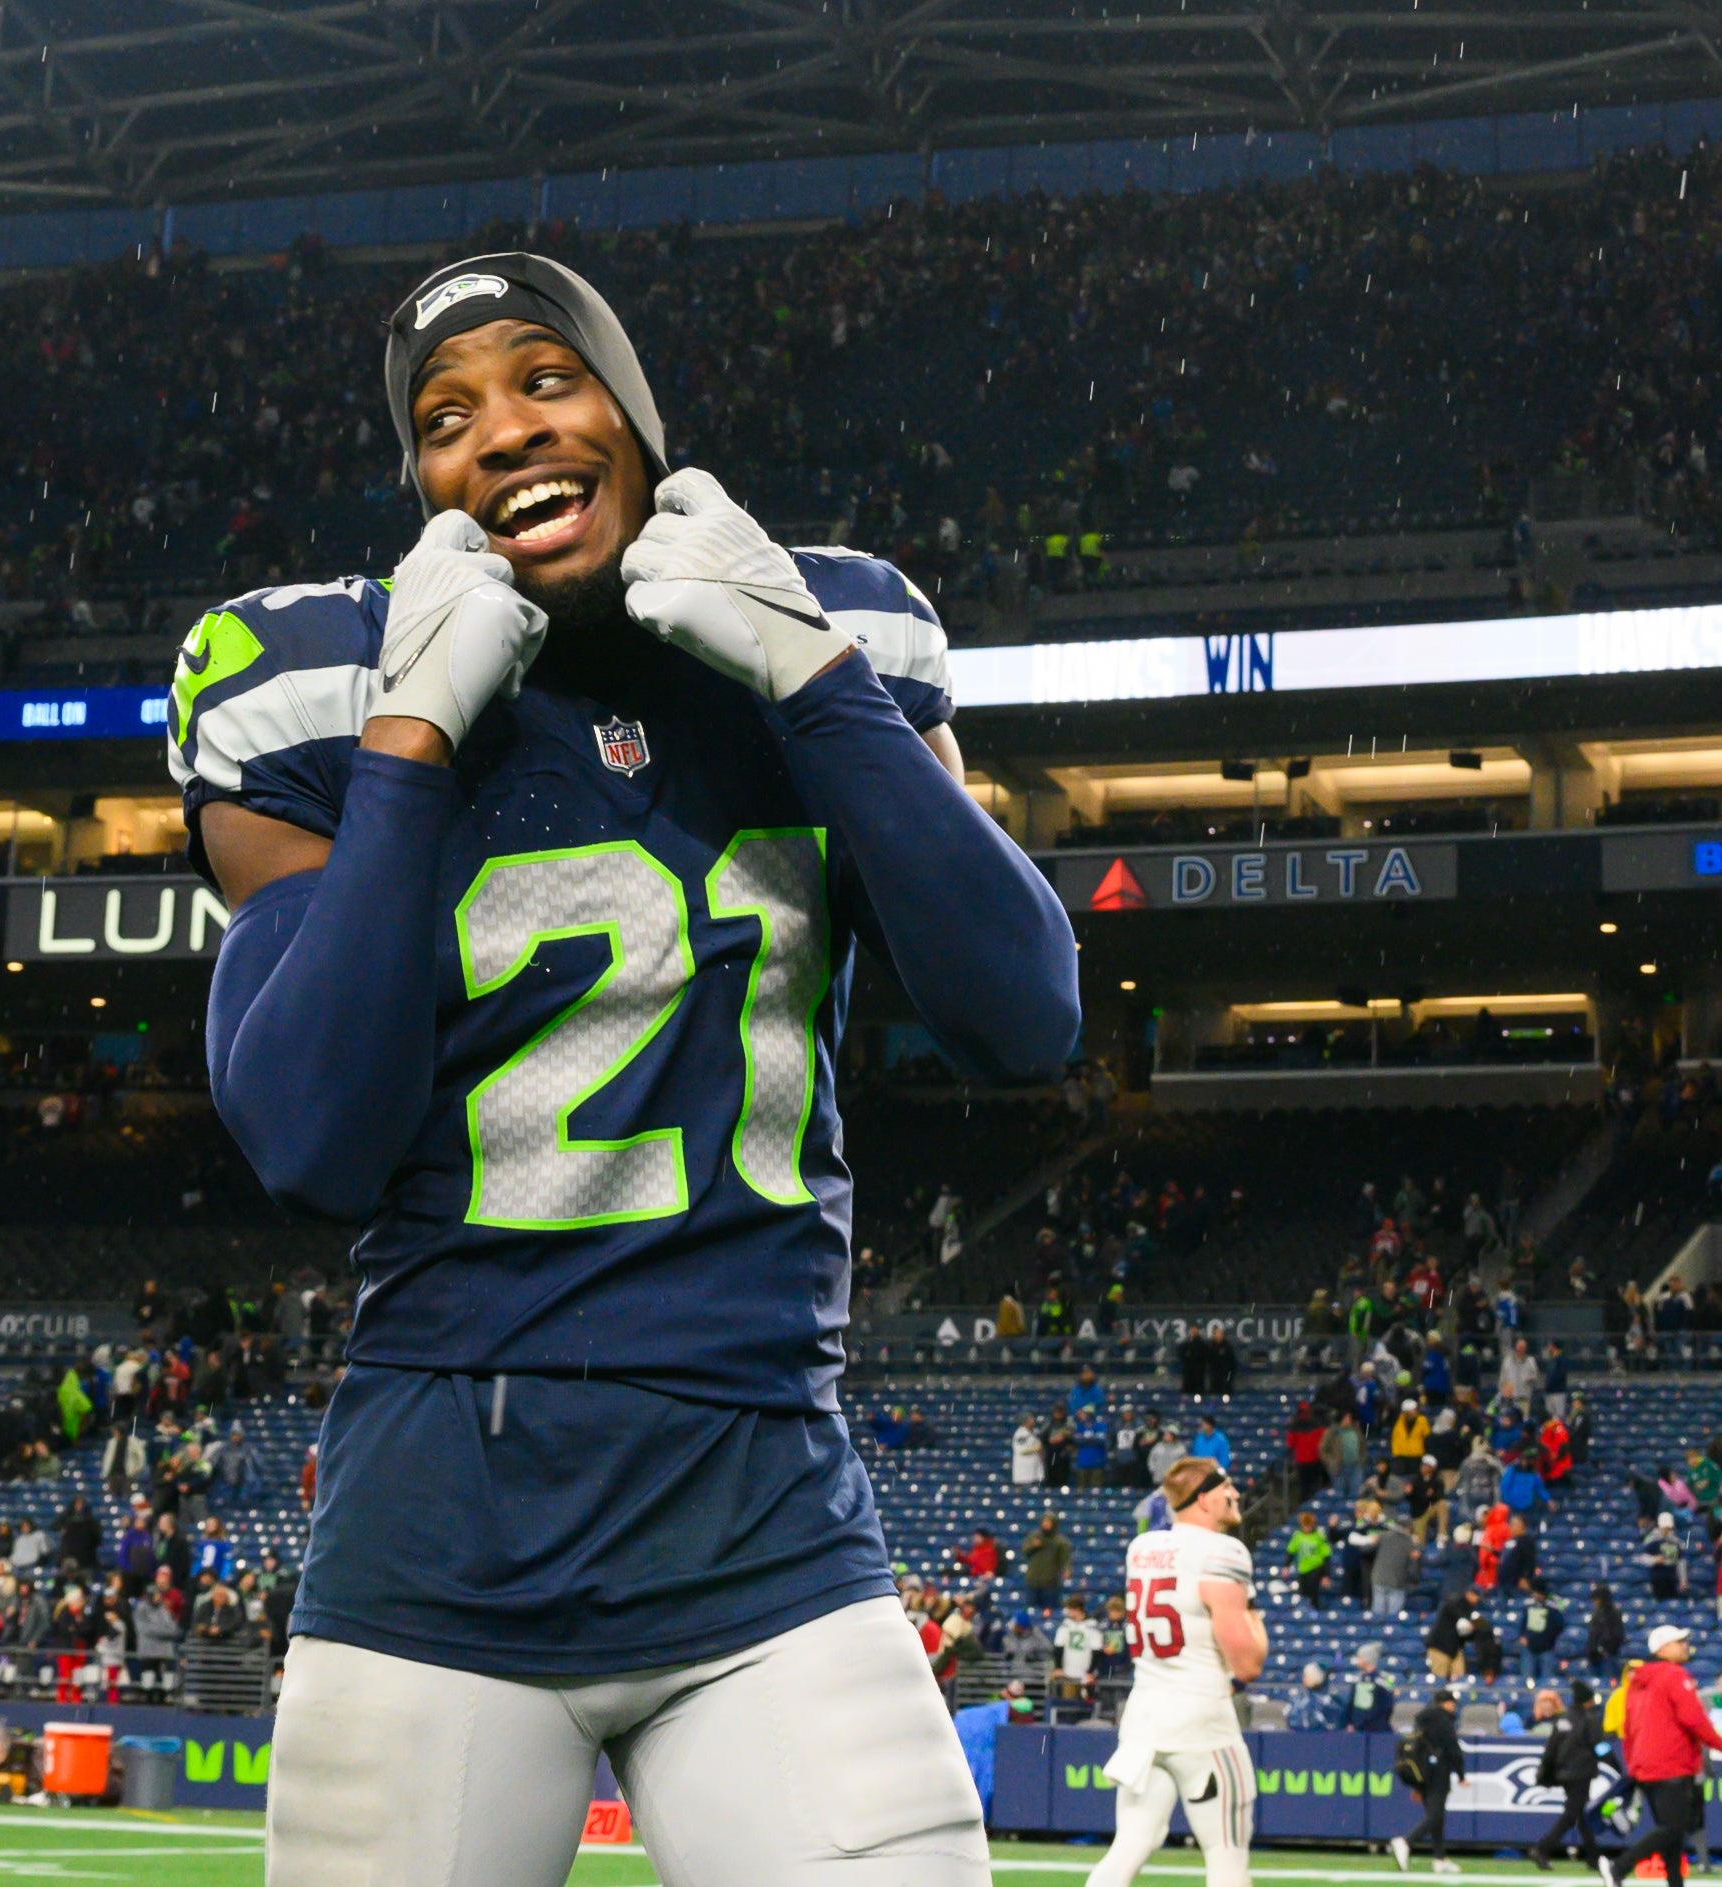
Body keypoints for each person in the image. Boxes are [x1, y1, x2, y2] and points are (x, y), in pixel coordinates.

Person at [182, 251, 1078, 1884]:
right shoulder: (315, 680)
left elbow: (1019, 1017)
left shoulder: (837, 628)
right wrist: (409, 741)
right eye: (443, 417)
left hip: (763, 1515)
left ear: (631, 414)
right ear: (419, 482)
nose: (503, 431)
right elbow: (310, 1137)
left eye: (544, 377)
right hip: (438, 1534)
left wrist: (806, 676)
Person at [1083, 1458, 1266, 1887]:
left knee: (1128, 1847)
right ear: (1203, 1498)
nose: (1236, 1494)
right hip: (1202, 1716)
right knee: (1226, 1857)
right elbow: (1248, 1664)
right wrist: (1255, 1617)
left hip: (1144, 1716)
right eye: (1227, 1487)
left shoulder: (1142, 1548)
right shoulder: (1224, 1551)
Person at [1599, 1625, 1722, 1887]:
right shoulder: (1674, 1675)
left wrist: (1633, 1764)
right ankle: (1618, 1868)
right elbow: (1693, 1718)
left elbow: (1629, 1727)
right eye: (1678, 1641)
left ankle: (1674, 1883)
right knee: (1674, 1828)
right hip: (1672, 1764)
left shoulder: (1637, 1683)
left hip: (1646, 1765)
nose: (1684, 1645)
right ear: (1662, 1648)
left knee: (1671, 1835)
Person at [1530, 1680, 1605, 1870]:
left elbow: (1551, 1748)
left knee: (1580, 1814)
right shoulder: (1590, 1718)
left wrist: (1545, 1773)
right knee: (1572, 1815)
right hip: (1582, 1773)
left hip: (1565, 1774)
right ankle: (1542, 1848)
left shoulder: (1563, 1719)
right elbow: (1600, 1746)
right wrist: (1617, 1766)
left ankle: (1593, 1857)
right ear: (1587, 1701)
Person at [1390, 1687, 1465, 1874]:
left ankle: (1440, 1859)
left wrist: (1417, 1786)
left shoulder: (1422, 1719)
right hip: (1439, 1772)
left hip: (1423, 1773)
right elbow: (1453, 1749)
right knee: (1436, 1816)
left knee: (1435, 1816)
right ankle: (1406, 1841)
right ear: (1446, 1703)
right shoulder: (1443, 1721)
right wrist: (1462, 1775)